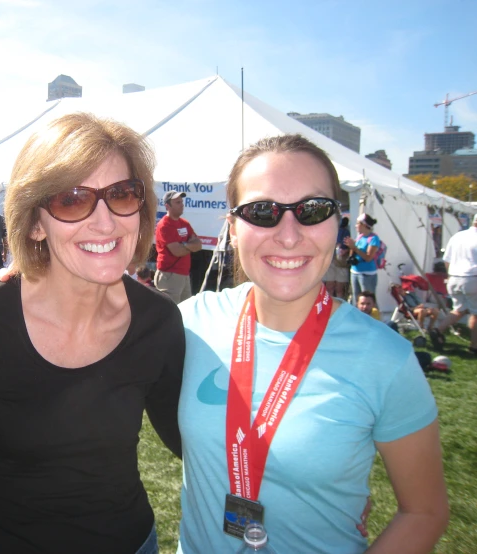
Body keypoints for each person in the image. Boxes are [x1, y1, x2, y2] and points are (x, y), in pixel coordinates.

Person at [0, 113, 184, 554]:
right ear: (35, 222)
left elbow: (196, 442)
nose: (106, 221)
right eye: (73, 200)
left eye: (121, 194)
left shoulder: (158, 322)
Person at [177, 134, 448, 553]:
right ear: (232, 228)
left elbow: (424, 512)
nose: (289, 235)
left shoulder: (385, 358)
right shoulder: (191, 322)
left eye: (313, 210)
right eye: (261, 211)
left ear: (337, 222)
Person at [430, 213, 477, 354]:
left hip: (454, 277)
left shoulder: (457, 236)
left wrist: (450, 274)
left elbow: (446, 259)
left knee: (459, 310)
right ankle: (474, 346)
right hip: (472, 277)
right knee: (475, 313)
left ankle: (438, 330)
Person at [154, 191, 203, 303]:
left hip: (184, 275)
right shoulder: (164, 225)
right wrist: (189, 245)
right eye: (177, 202)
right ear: (167, 206)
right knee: (170, 314)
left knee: (186, 312)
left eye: (181, 202)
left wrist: (184, 245)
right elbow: (177, 251)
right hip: (169, 275)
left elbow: (199, 245)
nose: (182, 205)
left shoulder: (184, 223)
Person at [344, 213, 381, 302]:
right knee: (356, 300)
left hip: (367, 274)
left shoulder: (373, 239)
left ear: (364, 225)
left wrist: (354, 248)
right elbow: (354, 252)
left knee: (368, 301)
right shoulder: (360, 237)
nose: (356, 226)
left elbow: (368, 258)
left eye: (358, 223)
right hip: (355, 272)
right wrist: (351, 247)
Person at [323, 216, 350, 298]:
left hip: (341, 262)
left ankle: (339, 308)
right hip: (330, 262)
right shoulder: (327, 231)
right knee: (329, 287)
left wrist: (345, 250)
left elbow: (350, 246)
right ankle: (330, 308)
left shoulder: (346, 231)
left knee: (339, 289)